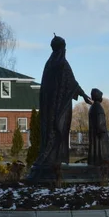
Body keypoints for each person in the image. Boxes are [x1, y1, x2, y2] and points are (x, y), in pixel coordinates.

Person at [27, 35, 92, 181]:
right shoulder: (62, 63)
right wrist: (84, 96)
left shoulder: (48, 64)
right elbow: (72, 83)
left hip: (50, 107)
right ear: (62, 48)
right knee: (60, 130)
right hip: (61, 106)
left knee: (52, 130)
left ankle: (51, 159)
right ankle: (55, 160)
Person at [87, 88, 109, 166]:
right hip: (99, 135)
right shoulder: (98, 108)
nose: (102, 97)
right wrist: (102, 132)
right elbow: (100, 123)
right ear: (98, 96)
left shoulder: (92, 107)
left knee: (94, 149)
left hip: (94, 134)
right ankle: (101, 164)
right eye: (101, 96)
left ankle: (95, 161)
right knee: (100, 151)